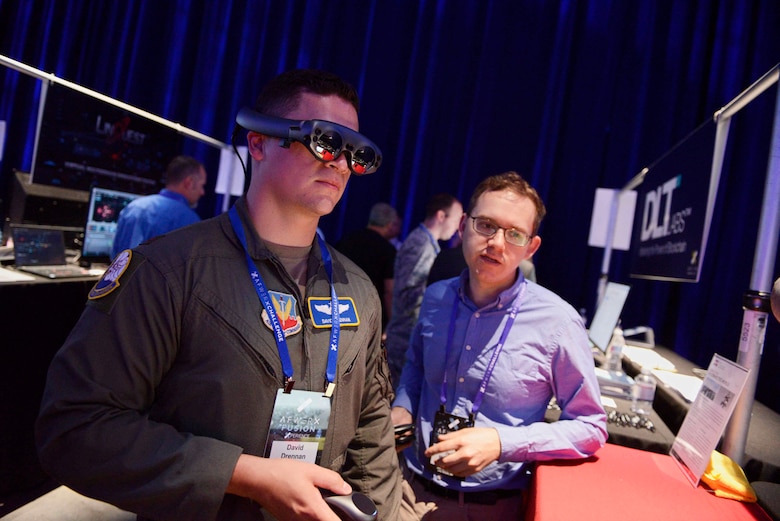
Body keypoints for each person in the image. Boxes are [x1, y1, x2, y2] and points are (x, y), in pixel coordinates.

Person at [36, 69, 401, 521]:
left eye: (354, 152)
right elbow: (75, 428)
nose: (340, 162)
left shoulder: (359, 291)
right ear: (259, 142)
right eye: (324, 140)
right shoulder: (168, 271)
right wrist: (241, 473)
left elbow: (372, 435)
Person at [392, 172, 607, 520]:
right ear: (463, 226)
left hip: (492, 507)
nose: (496, 243)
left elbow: (591, 426)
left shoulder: (558, 322)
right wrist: (403, 405)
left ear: (530, 247)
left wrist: (502, 443)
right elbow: (415, 369)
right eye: (486, 225)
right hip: (408, 490)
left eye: (514, 234)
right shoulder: (435, 298)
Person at [384, 193, 463, 387]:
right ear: (441, 216)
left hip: (407, 335)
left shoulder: (424, 242)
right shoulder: (421, 245)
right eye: (456, 220)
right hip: (405, 338)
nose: (456, 228)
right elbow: (410, 294)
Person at [110, 155, 207, 258]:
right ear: (189, 182)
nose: (202, 192)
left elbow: (116, 258)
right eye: (202, 185)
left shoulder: (133, 207)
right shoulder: (191, 221)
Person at [335, 202, 401, 330]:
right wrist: (391, 323)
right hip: (370, 314)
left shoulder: (346, 240)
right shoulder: (388, 250)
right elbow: (389, 291)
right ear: (389, 225)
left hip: (340, 307)